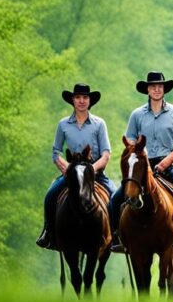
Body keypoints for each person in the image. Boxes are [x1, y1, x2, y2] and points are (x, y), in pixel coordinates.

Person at [109, 72, 173, 253]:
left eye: (160, 86)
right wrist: (139, 152)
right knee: (116, 198)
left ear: (164, 89)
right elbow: (129, 139)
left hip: (167, 166)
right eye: (153, 86)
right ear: (147, 89)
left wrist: (165, 162)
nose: (157, 89)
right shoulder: (137, 114)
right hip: (141, 166)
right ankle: (115, 238)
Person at [36, 83, 115, 249]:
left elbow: (106, 154)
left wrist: (90, 170)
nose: (81, 101)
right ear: (72, 100)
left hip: (95, 174)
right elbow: (56, 152)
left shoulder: (99, 123)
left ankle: (116, 235)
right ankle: (48, 231)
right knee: (50, 195)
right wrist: (67, 169)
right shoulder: (63, 124)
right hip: (71, 175)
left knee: (115, 196)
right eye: (78, 97)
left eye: (85, 97)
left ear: (90, 100)